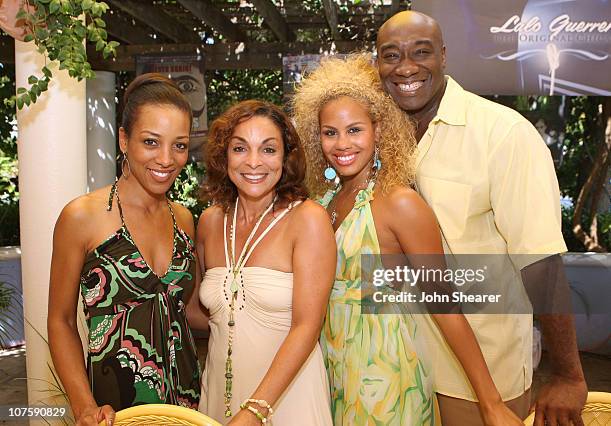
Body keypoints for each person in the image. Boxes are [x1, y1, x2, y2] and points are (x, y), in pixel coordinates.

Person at [376, 11, 587, 426]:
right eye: (391, 55)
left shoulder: (503, 134)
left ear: (444, 56)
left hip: (481, 377)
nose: (406, 67)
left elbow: (540, 260)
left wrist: (567, 373)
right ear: (377, 64)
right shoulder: (369, 137)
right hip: (393, 367)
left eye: (422, 52)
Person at [292, 53, 523, 426]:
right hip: (327, 370)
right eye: (330, 132)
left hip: (383, 378)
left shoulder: (399, 203)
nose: (341, 144)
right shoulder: (326, 201)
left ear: (378, 130)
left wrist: (491, 402)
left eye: (355, 130)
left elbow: (444, 304)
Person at [48, 74, 201, 426]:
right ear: (123, 139)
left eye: (179, 145)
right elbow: (59, 321)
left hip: (186, 405)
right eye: (151, 142)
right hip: (115, 411)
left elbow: (188, 313)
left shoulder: (183, 219)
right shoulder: (83, 217)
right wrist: (83, 405)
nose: (166, 159)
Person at [196, 100, 335, 425]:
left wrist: (255, 411)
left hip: (286, 400)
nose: (254, 162)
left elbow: (307, 326)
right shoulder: (210, 222)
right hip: (218, 396)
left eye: (268, 149)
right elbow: (202, 313)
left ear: (286, 157)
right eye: (240, 148)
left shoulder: (308, 219)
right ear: (224, 155)